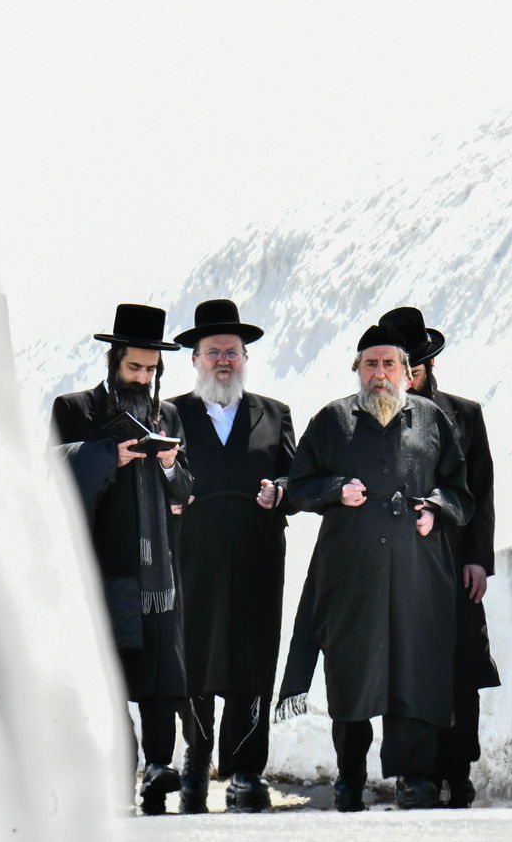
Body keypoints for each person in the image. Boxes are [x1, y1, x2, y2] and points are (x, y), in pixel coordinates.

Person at [283, 323, 472, 812]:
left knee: (416, 671)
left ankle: (417, 779)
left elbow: (460, 491)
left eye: (390, 364)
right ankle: (350, 780)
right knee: (353, 674)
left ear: (408, 374)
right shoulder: (331, 420)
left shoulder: (432, 421)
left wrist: (435, 509)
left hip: (417, 574)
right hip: (351, 575)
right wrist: (334, 491)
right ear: (357, 370)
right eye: (371, 364)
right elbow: (298, 486)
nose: (380, 374)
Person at [49, 303, 193, 816]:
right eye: (135, 367)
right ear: (114, 361)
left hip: (158, 572)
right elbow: (56, 475)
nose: (143, 377)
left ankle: (159, 765)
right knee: (108, 672)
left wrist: (173, 464)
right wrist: (109, 455)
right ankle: (116, 768)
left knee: (161, 673)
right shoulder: (76, 408)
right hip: (103, 566)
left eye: (152, 369)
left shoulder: (169, 414)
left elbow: (184, 490)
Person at [167, 299, 297, 814]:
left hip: (257, 553)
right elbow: (148, 478)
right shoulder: (169, 413)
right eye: (214, 352)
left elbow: (298, 477)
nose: (224, 360)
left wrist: (280, 492)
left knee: (252, 658)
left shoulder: (275, 412)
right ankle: (196, 768)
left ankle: (246, 771)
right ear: (195, 359)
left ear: (245, 358)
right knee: (193, 660)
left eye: (233, 353)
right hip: (191, 554)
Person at [379, 306, 501, 808]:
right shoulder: (372, 417)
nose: (406, 378)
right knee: (405, 669)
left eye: (415, 368)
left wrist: (478, 559)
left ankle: (458, 769)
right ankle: (415, 773)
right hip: (400, 570)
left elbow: (483, 492)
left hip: (453, 564)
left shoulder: (465, 414)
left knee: (460, 669)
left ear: (426, 366)